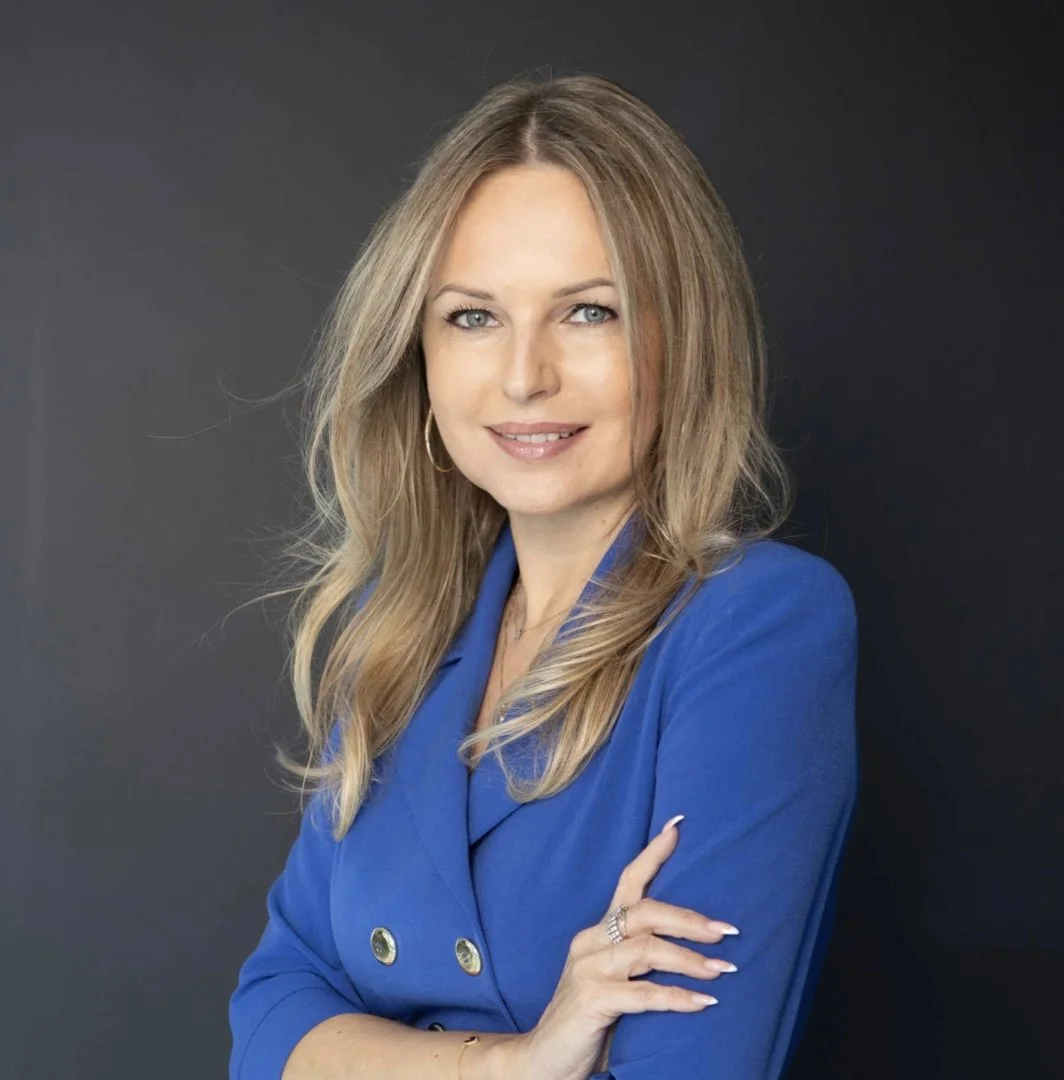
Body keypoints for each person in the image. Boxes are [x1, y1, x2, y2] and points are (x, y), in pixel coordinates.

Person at [228, 71, 858, 1080]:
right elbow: (269, 1018)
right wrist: (509, 1066)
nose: (524, 376)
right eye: (473, 317)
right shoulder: (403, 632)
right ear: (418, 350)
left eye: (589, 312)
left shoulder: (757, 627)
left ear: (684, 337)